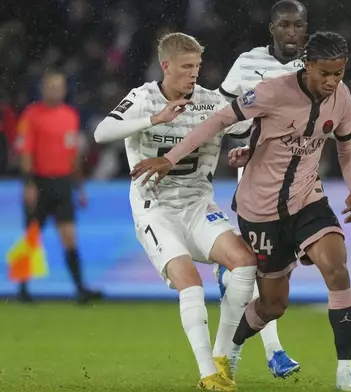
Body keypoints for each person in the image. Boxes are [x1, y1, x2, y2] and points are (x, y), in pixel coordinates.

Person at [131, 31, 351, 392]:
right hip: (261, 210)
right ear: (308, 66)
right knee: (272, 305)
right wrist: (170, 157)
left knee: (336, 268)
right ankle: (234, 346)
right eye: (325, 74)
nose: (332, 82)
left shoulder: (343, 98)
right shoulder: (272, 91)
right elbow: (219, 120)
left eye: (339, 73)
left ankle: (345, 374)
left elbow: (346, 148)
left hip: (307, 199)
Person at [93, 32, 258, 392]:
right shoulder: (142, 97)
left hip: (199, 206)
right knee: (191, 283)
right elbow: (101, 133)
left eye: (197, 66)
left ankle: (222, 357)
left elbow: (248, 127)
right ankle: (207, 374)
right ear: (165, 66)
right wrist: (153, 120)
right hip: (156, 211)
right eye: (186, 67)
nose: (193, 74)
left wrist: (248, 138)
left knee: (245, 264)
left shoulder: (211, 102)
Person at [213, 0, 307, 378]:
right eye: (283, 25)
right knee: (262, 268)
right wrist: (242, 130)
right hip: (257, 179)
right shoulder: (247, 64)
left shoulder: (315, 65)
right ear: (272, 28)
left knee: (280, 272)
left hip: (301, 181)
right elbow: (222, 118)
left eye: (297, 25)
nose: (290, 32)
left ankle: (228, 279)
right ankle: (274, 350)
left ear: (305, 28)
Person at [15, 71, 102, 304]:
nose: (55, 90)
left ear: (64, 89)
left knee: (70, 237)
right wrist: (29, 183)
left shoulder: (70, 115)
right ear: (43, 88)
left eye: (59, 86)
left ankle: (80, 289)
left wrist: (79, 187)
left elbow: (72, 154)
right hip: (40, 182)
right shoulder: (31, 115)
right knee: (32, 237)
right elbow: (25, 153)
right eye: (51, 86)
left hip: (63, 183)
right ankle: (22, 290)